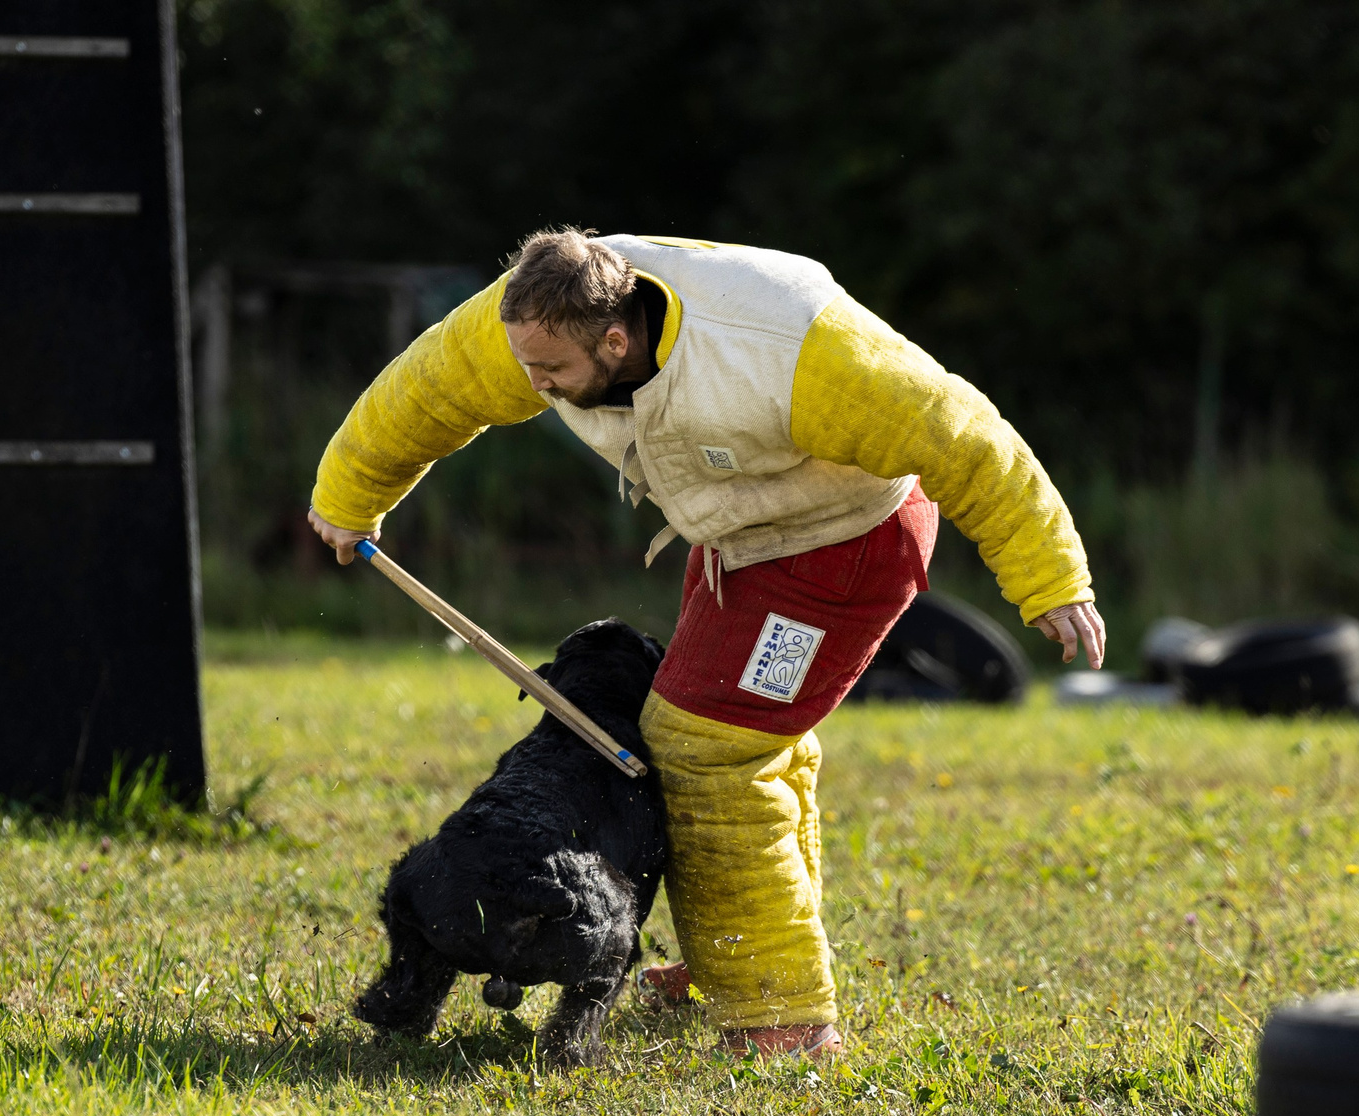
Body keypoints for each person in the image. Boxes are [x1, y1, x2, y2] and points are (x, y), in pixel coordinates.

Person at [307, 228, 1103, 1058]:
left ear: (616, 339)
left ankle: (783, 1019)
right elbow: (433, 386)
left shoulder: (794, 352)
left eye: (552, 375)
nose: (533, 386)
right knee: (741, 738)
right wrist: (350, 493)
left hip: (843, 546)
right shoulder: (542, 313)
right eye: (527, 370)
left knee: (710, 747)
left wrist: (1050, 579)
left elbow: (963, 434)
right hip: (737, 543)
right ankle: (727, 949)